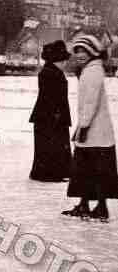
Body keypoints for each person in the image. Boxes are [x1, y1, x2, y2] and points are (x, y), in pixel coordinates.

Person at [62, 35, 118, 222]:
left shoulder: (93, 72)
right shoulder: (90, 70)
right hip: (95, 131)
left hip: (95, 132)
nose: (79, 55)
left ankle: (99, 207)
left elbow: (91, 102)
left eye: (83, 51)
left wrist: (83, 126)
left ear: (92, 52)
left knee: (92, 169)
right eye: (76, 51)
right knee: (88, 169)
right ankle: (87, 204)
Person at [29, 40, 72, 182]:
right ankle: (50, 173)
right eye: (63, 60)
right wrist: (57, 115)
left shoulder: (51, 71)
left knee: (51, 145)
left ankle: (53, 172)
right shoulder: (50, 73)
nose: (65, 63)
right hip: (50, 116)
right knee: (51, 146)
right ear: (56, 60)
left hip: (49, 116)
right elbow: (50, 98)